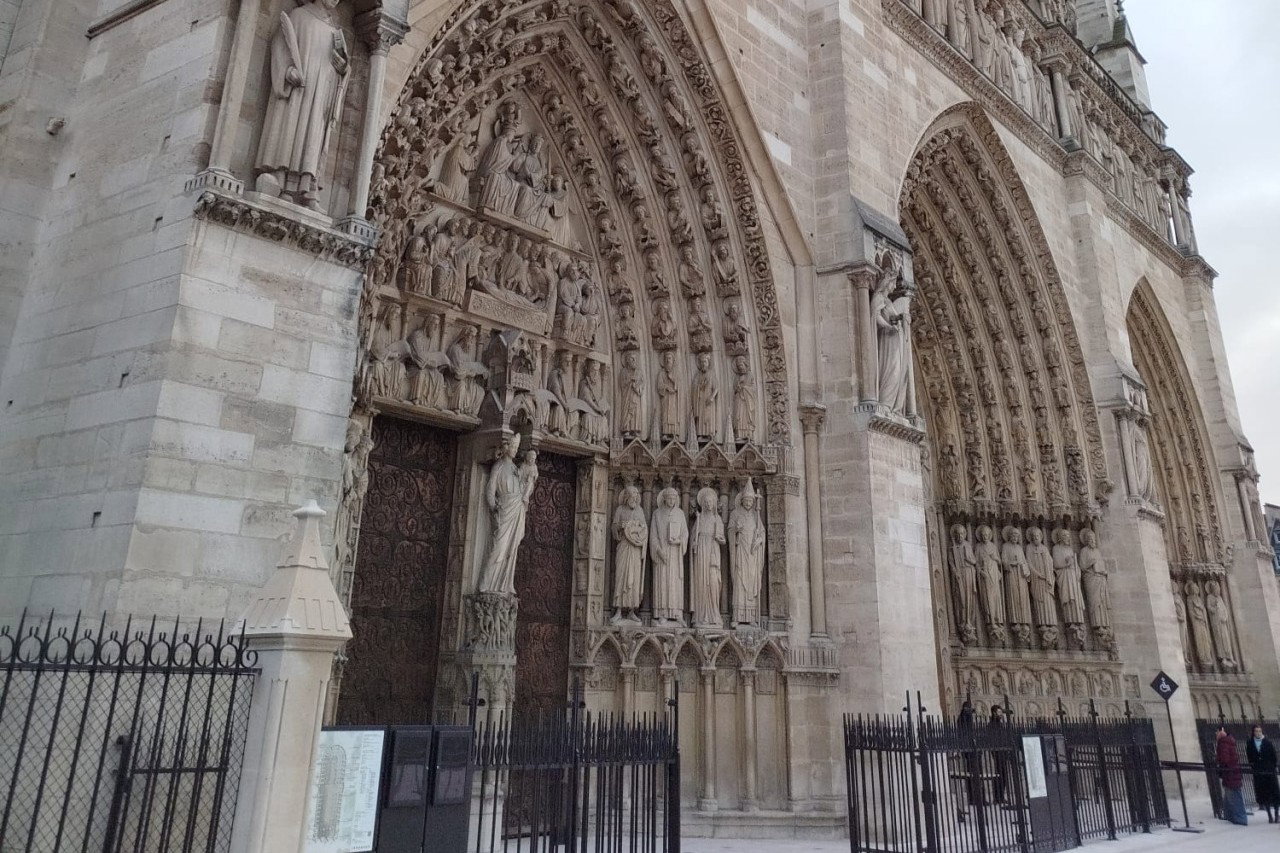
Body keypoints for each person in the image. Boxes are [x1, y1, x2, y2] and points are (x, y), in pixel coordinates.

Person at [1246, 725, 1279, 822]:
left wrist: (1272, 767)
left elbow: (1274, 757)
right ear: (1253, 732)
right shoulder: (1250, 743)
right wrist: (1255, 768)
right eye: (1256, 731)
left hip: (1269, 771)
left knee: (1274, 793)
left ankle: (1276, 814)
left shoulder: (1267, 742)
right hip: (1259, 772)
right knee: (1264, 794)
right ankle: (1269, 815)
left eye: (1259, 731)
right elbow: (1250, 758)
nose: (1258, 733)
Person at [1217, 726, 1247, 825]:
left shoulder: (1223, 742)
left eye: (1217, 732)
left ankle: (1240, 818)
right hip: (1233, 771)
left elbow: (1224, 759)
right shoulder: (1229, 741)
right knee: (1230, 794)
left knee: (1234, 795)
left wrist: (1218, 761)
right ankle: (1229, 815)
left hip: (1230, 772)